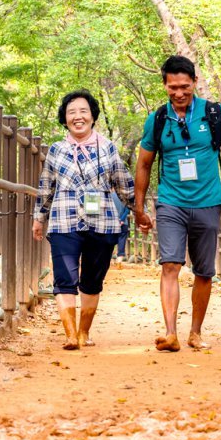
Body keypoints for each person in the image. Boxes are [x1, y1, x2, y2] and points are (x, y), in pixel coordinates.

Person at [132, 56, 221, 352]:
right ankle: (170, 333)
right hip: (171, 202)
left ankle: (195, 332)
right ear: (165, 85)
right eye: (172, 87)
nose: (179, 93)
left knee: (204, 271)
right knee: (170, 264)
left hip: (208, 201)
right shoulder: (158, 119)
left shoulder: (213, 113)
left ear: (194, 82)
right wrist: (139, 208)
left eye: (184, 86)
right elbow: (143, 165)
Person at [32, 90, 136, 350]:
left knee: (92, 279)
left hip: (102, 221)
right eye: (71, 112)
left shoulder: (108, 147)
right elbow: (46, 186)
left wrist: (139, 211)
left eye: (83, 111)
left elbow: (123, 183)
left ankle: (83, 332)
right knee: (64, 278)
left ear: (92, 116)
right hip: (64, 220)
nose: (78, 117)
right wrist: (38, 218)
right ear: (65, 119)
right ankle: (69, 335)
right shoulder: (57, 150)